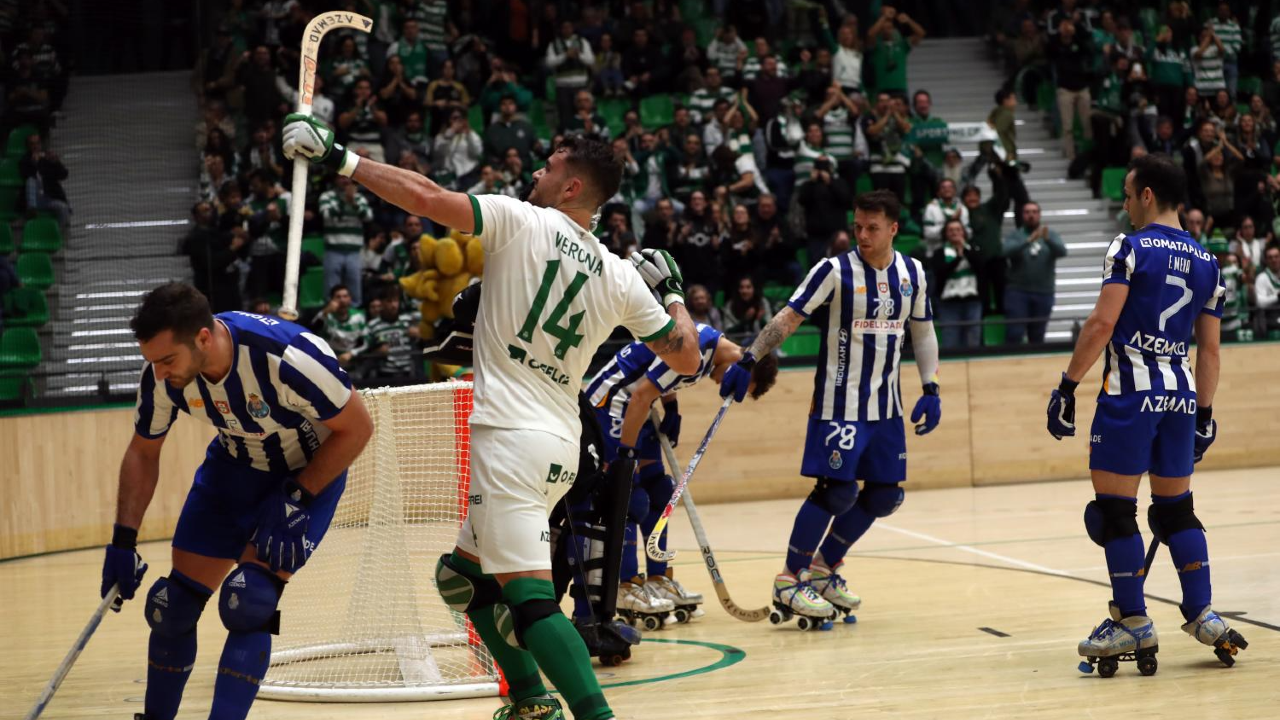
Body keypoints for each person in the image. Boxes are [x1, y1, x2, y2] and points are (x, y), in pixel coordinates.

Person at [281, 113, 701, 719]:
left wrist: (340, 157)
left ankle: (595, 716)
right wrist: (674, 295)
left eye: (549, 164)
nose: (537, 170)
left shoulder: (520, 219)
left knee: (531, 604)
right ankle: (531, 701)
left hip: (510, 442)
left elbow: (425, 197)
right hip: (559, 442)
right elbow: (685, 357)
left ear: (572, 187)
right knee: (462, 579)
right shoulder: (617, 273)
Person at [101, 282, 373, 720]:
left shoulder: (286, 359)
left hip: (304, 476)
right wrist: (122, 539)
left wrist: (298, 496)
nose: (159, 371)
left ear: (204, 338)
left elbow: (358, 428)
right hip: (232, 471)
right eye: (151, 361)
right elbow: (142, 451)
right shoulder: (162, 376)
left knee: (250, 603)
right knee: (170, 608)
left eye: (168, 359)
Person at [1044, 154, 1246, 675]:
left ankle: (1133, 620)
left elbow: (1101, 323)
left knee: (1113, 513)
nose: (1126, 205)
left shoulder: (1129, 248)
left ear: (1148, 195)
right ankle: (1203, 613)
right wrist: (1204, 412)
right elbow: (1211, 351)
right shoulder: (1208, 261)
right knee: (1176, 511)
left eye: (1129, 195)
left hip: (1130, 396)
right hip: (1179, 398)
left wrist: (1067, 385)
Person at [717, 190, 942, 625]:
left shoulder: (913, 273)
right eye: (857, 226)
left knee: (885, 495)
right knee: (837, 491)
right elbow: (788, 317)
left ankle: (822, 568)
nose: (862, 235)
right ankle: (789, 578)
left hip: (886, 408)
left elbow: (924, 331)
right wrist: (751, 356)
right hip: (840, 405)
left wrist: (930, 387)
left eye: (872, 228)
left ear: (893, 229)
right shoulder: (834, 270)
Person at [580, 326, 780, 628]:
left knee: (660, 491)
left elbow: (660, 370)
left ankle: (658, 577)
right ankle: (625, 584)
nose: (725, 388)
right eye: (739, 384)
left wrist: (671, 405)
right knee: (629, 495)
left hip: (640, 406)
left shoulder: (710, 352)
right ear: (741, 362)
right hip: (611, 404)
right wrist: (626, 454)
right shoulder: (697, 351)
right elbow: (642, 394)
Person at [1002, 202, 1066, 344]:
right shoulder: (1015, 235)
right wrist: (1027, 241)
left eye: (1034, 212)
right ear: (1022, 215)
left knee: (1038, 334)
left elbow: (1062, 252)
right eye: (1027, 212)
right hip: (1018, 292)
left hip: (1043, 292)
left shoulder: (1050, 235)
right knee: (1015, 332)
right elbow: (1006, 252)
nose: (1031, 215)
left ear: (1039, 214)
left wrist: (1048, 239)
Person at [932, 218, 983, 348]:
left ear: (964, 233)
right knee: (951, 339)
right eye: (950, 230)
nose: (954, 233)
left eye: (958, 229)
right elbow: (941, 272)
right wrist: (958, 258)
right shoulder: (939, 253)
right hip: (948, 302)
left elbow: (981, 268)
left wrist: (964, 250)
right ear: (946, 234)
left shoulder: (974, 249)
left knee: (973, 338)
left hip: (972, 300)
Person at [311, 284, 366, 367]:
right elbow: (311, 332)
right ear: (332, 300)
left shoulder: (359, 316)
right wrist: (325, 312)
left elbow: (367, 341)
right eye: (338, 297)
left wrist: (352, 353)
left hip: (351, 358)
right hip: (327, 360)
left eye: (345, 296)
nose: (342, 300)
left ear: (350, 299)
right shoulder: (325, 314)